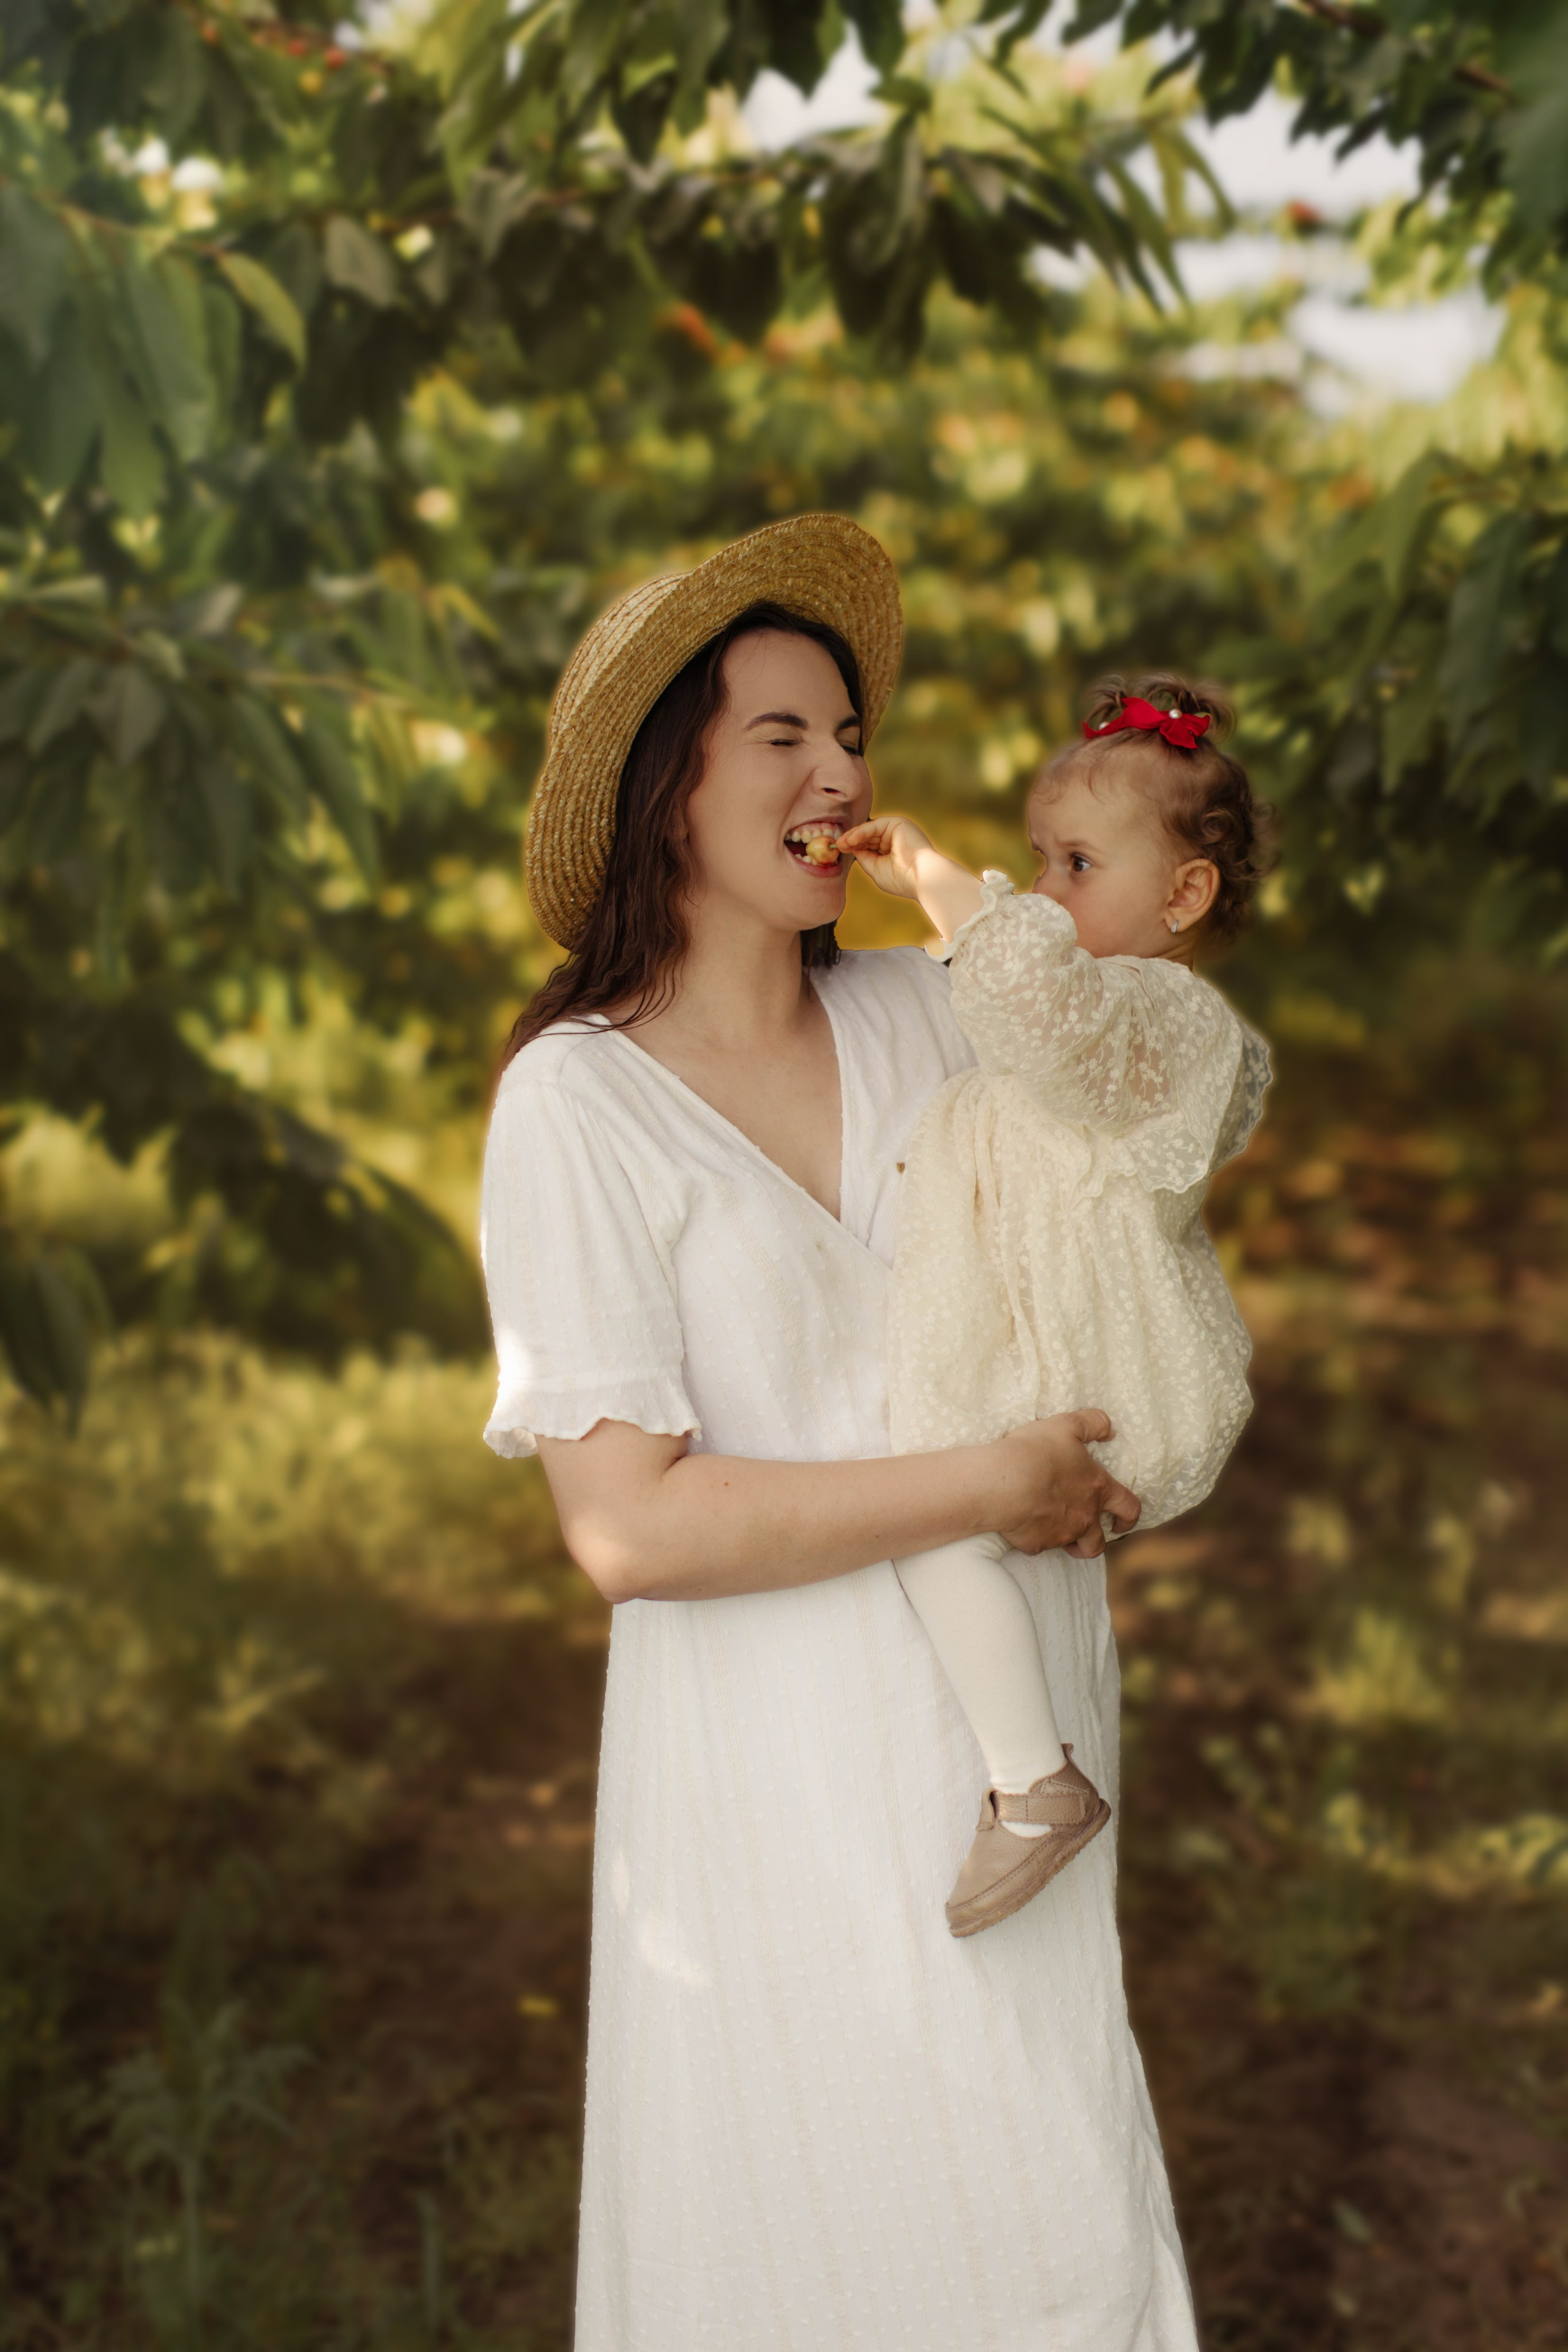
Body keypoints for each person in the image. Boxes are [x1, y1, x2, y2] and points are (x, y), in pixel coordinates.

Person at [480, 514, 1199, 2350]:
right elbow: (630, 1530)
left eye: (851, 735)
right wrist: (993, 1480)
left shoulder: (927, 1012)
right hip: (766, 1762)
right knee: (809, 2215)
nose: (839, 774)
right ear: (667, 788)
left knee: (1048, 2221)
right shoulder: (578, 1104)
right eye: (783, 735)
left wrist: (1034, 895)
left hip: (1011, 1746)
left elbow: (1151, 1099)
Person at [837, 680, 1272, 1939]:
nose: (1041, 891)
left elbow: (1032, 1000)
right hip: (1034, 1331)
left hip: (1087, 1358)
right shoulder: (1102, 1009)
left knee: (933, 1526)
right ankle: (1029, 1777)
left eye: (1076, 865)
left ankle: (1033, 1783)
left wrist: (937, 880)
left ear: (1183, 897)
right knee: (935, 1525)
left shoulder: (1160, 1016)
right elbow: (1017, 1009)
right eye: (1037, 861)